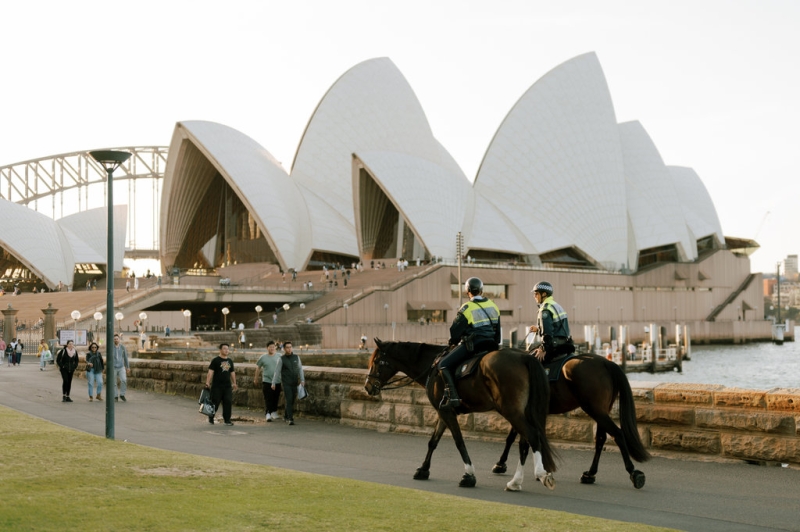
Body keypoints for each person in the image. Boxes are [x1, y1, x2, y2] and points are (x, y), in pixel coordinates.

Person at [437, 277, 501, 410]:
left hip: (474, 345)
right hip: (491, 345)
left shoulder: (466, 308)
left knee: (443, 364)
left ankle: (453, 396)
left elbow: (455, 331)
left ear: (468, 292)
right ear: (481, 290)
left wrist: (453, 342)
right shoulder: (493, 305)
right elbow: (497, 330)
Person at [530, 281, 574, 364]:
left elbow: (547, 333)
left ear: (544, 294)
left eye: (536, 294)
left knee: (531, 362)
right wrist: (538, 330)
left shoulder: (545, 309)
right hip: (565, 343)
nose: (534, 296)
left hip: (555, 345)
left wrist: (543, 349)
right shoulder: (556, 305)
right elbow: (557, 328)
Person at [205, 343, 238, 425]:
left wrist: (234, 383)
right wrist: (207, 382)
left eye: (227, 349)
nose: (226, 350)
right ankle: (211, 417)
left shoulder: (230, 361)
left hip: (227, 386)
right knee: (215, 402)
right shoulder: (215, 360)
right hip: (217, 386)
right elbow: (210, 372)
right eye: (224, 349)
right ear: (220, 350)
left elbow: (232, 372)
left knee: (228, 402)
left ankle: (227, 420)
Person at [272, 341, 304, 425]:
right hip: (286, 383)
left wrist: (302, 380)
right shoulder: (281, 359)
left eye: (290, 347)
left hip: (295, 383)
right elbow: (277, 371)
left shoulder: (296, 357)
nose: (289, 349)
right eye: (287, 347)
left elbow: (300, 369)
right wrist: (273, 383)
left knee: (292, 400)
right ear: (284, 348)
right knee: (289, 399)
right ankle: (290, 418)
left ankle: (286, 416)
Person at [254, 340, 281, 422]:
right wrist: (256, 379)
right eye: (270, 347)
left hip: (277, 380)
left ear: (275, 347)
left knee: (276, 397)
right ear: (267, 348)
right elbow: (258, 368)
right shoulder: (263, 357)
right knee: (268, 397)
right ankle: (268, 413)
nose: (272, 348)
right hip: (267, 380)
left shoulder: (279, 356)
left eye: (273, 347)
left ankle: (274, 411)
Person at [111, 333, 130, 401]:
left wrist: (128, 367)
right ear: (113, 340)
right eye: (115, 339)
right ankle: (115, 396)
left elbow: (125, 357)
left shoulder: (122, 347)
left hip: (121, 367)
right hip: (113, 367)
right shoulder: (111, 347)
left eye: (117, 339)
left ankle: (122, 394)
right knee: (114, 383)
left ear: (119, 340)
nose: (116, 340)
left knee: (124, 380)